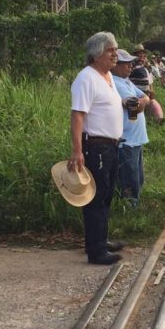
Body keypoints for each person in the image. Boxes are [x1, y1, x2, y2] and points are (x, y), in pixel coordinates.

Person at [68, 32, 125, 265]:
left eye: (115, 49)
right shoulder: (87, 78)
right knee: (96, 198)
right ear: (97, 54)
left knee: (106, 195)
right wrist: (77, 150)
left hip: (111, 146)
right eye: (111, 50)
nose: (115, 54)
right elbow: (78, 116)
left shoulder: (107, 77)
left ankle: (100, 239)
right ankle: (96, 251)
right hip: (97, 147)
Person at [112, 50, 150, 208]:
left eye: (131, 63)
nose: (130, 66)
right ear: (115, 65)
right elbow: (136, 109)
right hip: (127, 140)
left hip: (136, 139)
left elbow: (147, 97)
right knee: (129, 178)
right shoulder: (115, 83)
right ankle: (128, 210)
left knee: (138, 177)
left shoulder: (126, 81)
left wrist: (142, 101)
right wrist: (140, 102)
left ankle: (133, 206)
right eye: (125, 63)